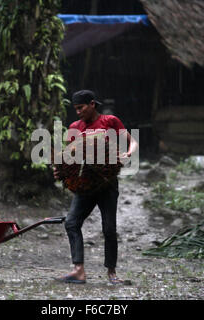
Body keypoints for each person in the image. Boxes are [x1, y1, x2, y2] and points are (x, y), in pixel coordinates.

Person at [54, 90, 138, 284]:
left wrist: (128, 154)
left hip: (107, 185)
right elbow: (67, 159)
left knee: (109, 229)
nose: (78, 112)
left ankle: (112, 273)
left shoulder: (110, 121)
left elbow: (132, 141)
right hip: (84, 186)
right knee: (72, 222)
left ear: (92, 104)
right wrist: (60, 171)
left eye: (81, 108)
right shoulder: (75, 127)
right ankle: (78, 270)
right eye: (75, 109)